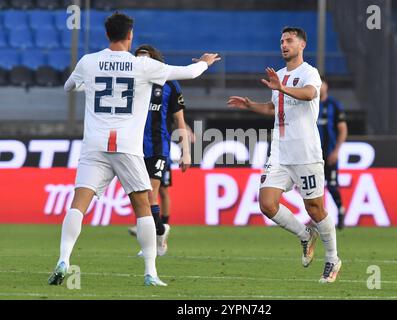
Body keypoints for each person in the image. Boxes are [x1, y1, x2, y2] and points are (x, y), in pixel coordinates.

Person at [47, 12, 220, 287]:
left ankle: (64, 259)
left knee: (79, 203)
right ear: (130, 35)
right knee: (143, 206)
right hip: (128, 147)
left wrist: (88, 84)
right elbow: (188, 73)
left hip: (95, 145)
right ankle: (151, 272)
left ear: (107, 35)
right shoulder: (143, 66)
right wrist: (205, 63)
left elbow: (69, 86)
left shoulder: (88, 62)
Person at [227, 27, 341, 283]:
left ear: (302, 45)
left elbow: (310, 94)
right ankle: (305, 235)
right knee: (267, 203)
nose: (284, 44)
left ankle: (333, 258)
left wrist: (282, 88)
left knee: (315, 208)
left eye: (289, 40)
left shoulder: (309, 73)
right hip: (280, 152)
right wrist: (250, 105)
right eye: (281, 41)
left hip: (306, 152)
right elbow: (274, 108)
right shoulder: (278, 76)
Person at [128, 44, 192, 257]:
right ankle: (159, 233)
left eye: (145, 58)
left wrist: (186, 151)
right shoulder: (130, 82)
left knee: (150, 194)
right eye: (138, 58)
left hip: (158, 147)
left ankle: (154, 241)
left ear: (154, 60)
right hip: (134, 147)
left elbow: (179, 120)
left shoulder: (170, 84)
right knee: (141, 198)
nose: (141, 62)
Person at [318, 79, 348, 230]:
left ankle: (341, 212)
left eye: (321, 83)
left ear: (326, 85)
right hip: (313, 156)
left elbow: (342, 129)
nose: (319, 86)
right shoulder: (310, 104)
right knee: (313, 188)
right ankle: (317, 219)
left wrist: (336, 151)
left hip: (329, 154)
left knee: (332, 186)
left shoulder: (334, 105)